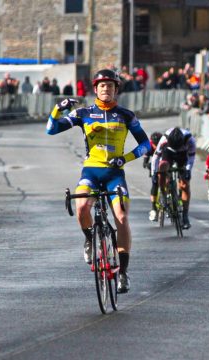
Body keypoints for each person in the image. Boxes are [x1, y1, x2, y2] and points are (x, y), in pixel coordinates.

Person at [46, 69, 150, 294]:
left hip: (115, 174)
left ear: (115, 89)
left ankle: (122, 272)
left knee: (121, 216)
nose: (106, 89)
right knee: (82, 206)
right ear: (95, 89)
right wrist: (58, 109)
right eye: (102, 86)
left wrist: (127, 157)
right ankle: (89, 239)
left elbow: (146, 144)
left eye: (110, 86)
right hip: (91, 172)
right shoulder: (83, 113)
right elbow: (51, 130)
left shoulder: (125, 115)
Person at [150, 127, 196, 229]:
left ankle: (185, 215)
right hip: (168, 153)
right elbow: (156, 157)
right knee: (162, 168)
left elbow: (191, 157)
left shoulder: (190, 139)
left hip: (182, 155)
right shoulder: (164, 139)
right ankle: (163, 191)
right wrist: (154, 174)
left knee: (185, 185)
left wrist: (188, 170)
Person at [143, 131, 163, 221]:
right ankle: (153, 207)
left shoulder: (164, 144)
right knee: (155, 183)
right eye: (155, 144)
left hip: (164, 159)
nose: (156, 146)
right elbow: (145, 160)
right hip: (154, 163)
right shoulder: (148, 146)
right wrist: (146, 164)